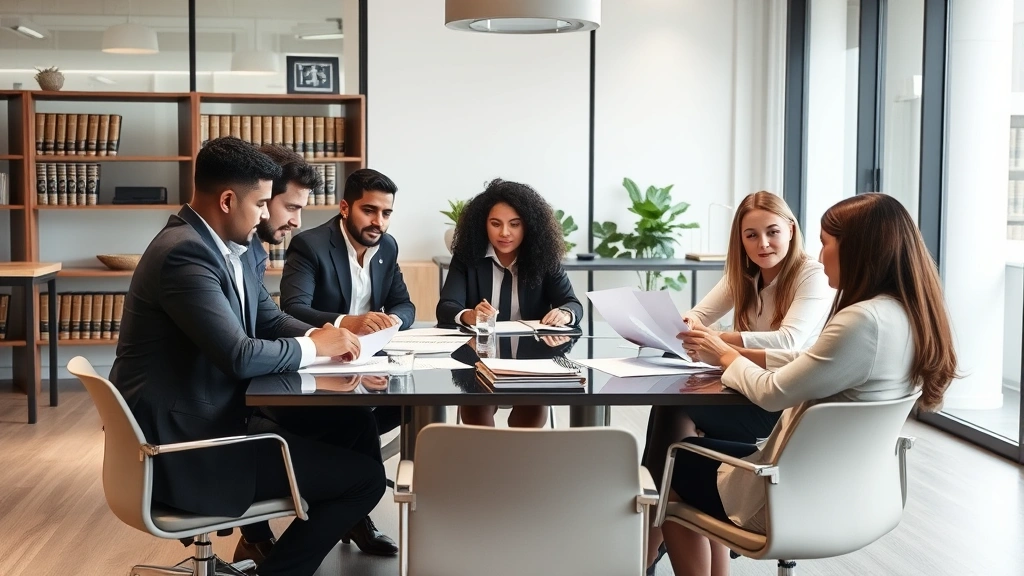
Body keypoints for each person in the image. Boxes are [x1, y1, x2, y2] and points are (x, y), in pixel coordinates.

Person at [108, 137, 386, 576]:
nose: (264, 214)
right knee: (365, 481)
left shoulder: (221, 248)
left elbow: (270, 320)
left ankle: (269, 553)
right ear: (227, 200)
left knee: (352, 423)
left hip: (206, 419)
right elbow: (238, 355)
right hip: (187, 449)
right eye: (261, 203)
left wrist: (327, 336)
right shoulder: (186, 253)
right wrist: (317, 346)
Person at [660, 193, 958, 576]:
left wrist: (725, 354)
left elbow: (773, 393)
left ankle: (643, 543)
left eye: (826, 243)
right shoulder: (905, 316)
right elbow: (813, 363)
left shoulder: (861, 321)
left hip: (789, 494)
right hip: (852, 491)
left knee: (674, 462)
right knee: (695, 447)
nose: (819, 256)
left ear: (858, 248)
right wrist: (727, 347)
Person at [642, 191, 833, 572]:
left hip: (782, 402)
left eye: (772, 232)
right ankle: (658, 525)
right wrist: (674, 328)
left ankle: (647, 534)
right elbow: (696, 317)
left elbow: (788, 341)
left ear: (791, 230)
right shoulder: (744, 275)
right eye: (751, 235)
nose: (763, 244)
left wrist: (721, 341)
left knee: (675, 421)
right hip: (745, 391)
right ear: (740, 240)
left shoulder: (811, 274)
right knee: (679, 430)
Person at [239, 149, 399, 559]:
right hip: (239, 410)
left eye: (386, 213)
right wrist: (336, 330)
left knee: (376, 417)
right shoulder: (304, 245)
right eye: (286, 206)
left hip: (341, 362)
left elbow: (270, 318)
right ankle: (344, 512)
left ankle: (348, 513)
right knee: (358, 443)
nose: (295, 220)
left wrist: (338, 336)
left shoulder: (249, 254)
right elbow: (284, 314)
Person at [436, 178, 583, 428]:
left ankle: (518, 465)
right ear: (483, 225)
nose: (505, 233)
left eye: (514, 224)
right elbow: (446, 307)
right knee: (475, 407)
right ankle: (486, 465)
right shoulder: (467, 258)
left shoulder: (544, 259)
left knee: (533, 408)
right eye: (496, 224)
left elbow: (572, 304)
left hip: (533, 360)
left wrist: (565, 314)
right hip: (477, 359)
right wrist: (469, 315)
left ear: (528, 226)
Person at [280, 168, 415, 334]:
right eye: (368, 211)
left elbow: (403, 305)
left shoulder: (388, 246)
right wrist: (349, 323)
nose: (378, 222)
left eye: (386, 214)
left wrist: (391, 321)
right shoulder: (309, 245)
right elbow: (294, 310)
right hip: (326, 350)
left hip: (373, 349)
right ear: (345, 208)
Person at [251, 144, 322, 279]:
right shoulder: (228, 256)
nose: (297, 223)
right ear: (263, 198)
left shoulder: (256, 254)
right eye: (291, 208)